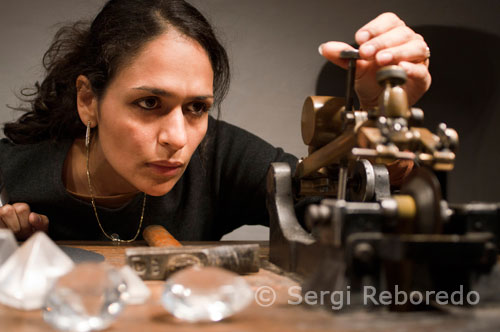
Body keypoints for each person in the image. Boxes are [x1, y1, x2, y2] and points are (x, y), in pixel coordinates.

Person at [0, 0, 431, 241]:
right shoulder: (11, 173)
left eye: (196, 108)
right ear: (88, 100)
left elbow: (350, 216)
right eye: (149, 103)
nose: (177, 138)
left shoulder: (219, 156)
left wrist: (380, 117)